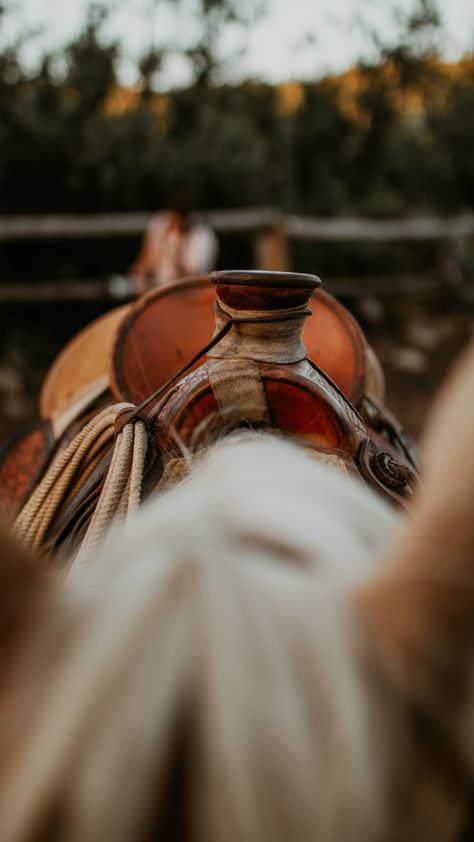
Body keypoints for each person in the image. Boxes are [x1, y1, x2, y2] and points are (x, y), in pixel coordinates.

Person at [129, 201, 219, 294]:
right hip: (160, 290)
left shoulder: (202, 236)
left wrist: (178, 253)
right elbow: (144, 264)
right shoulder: (160, 224)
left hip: (188, 293)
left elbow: (192, 279)